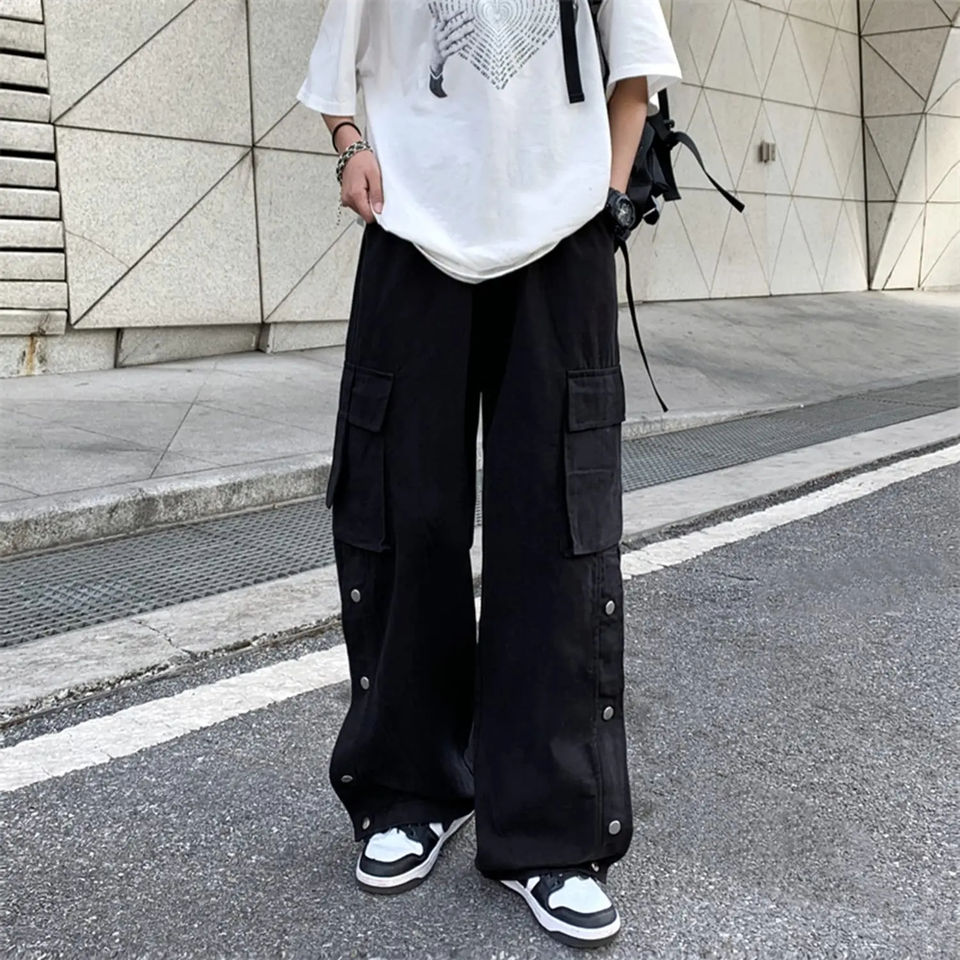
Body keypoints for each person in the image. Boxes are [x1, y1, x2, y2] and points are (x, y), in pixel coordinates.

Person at [297, 0, 681, 948]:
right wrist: (350, 146)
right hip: (410, 226)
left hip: (562, 236)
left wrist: (603, 205)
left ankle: (550, 832)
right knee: (407, 515)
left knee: (551, 526)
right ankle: (411, 790)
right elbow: (338, 60)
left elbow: (632, 72)